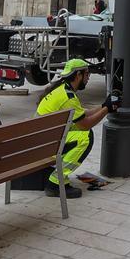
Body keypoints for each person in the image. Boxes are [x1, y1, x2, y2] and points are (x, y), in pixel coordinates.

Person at [35, 59, 120, 198]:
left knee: (82, 132)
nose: (88, 77)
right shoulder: (68, 97)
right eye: (87, 74)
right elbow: (85, 124)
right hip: (45, 144)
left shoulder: (62, 89)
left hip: (42, 139)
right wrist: (107, 109)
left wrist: (104, 105)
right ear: (78, 75)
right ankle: (55, 183)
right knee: (85, 138)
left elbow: (82, 113)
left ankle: (57, 176)